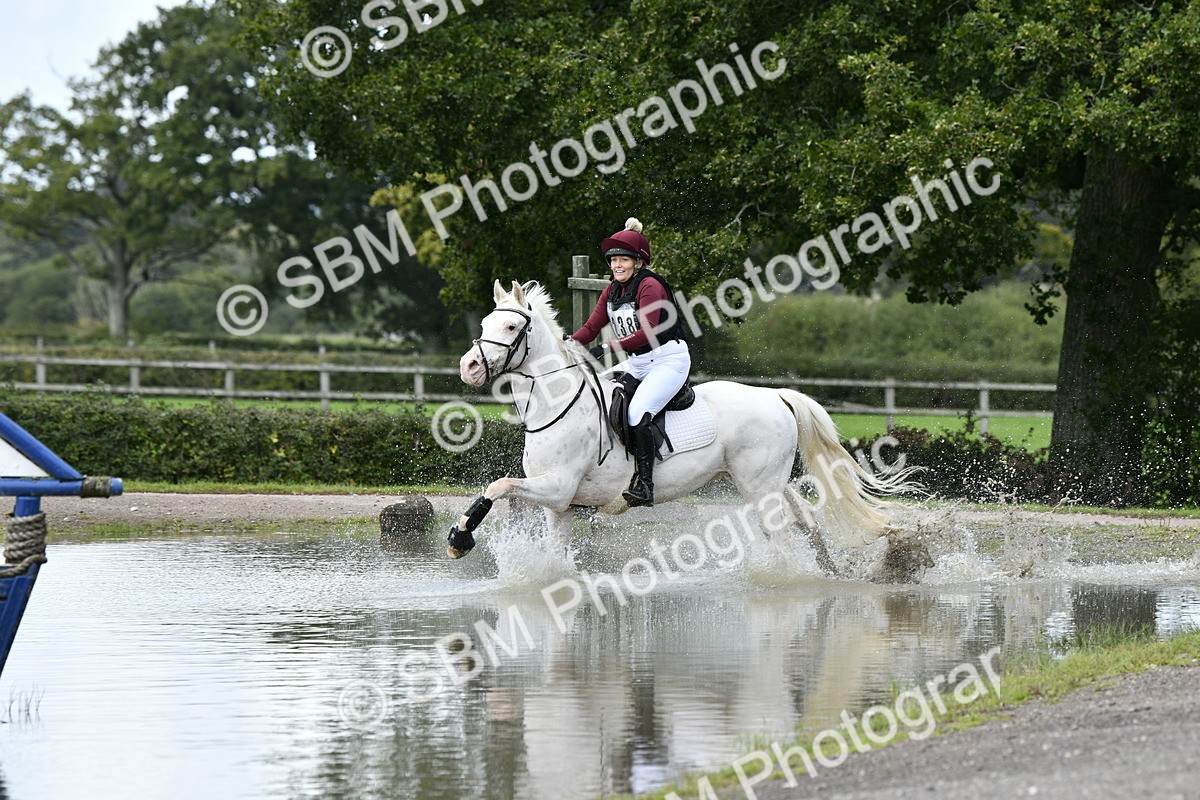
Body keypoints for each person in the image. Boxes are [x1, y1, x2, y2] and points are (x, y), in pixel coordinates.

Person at [570, 217, 690, 507]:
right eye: (613, 261)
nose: (617, 265)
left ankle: (645, 485)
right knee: (595, 396)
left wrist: (607, 347)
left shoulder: (650, 286)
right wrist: (566, 344)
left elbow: (647, 332)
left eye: (623, 260)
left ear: (638, 262)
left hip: (667, 361)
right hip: (637, 363)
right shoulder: (611, 290)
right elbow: (591, 328)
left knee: (637, 413)